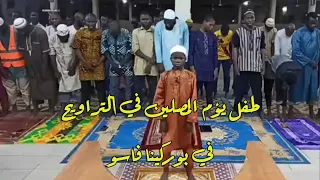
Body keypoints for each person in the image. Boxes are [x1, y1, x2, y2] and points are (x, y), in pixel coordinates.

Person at [154, 45, 197, 180]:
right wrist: (162, 118)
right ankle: (165, 170)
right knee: (166, 146)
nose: (177, 60)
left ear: (185, 59)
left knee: (188, 147)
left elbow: (193, 98)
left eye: (180, 58)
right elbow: (159, 98)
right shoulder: (164, 76)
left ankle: (189, 170)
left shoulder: (191, 76)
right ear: (170, 59)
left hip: (185, 118)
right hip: (169, 118)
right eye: (175, 58)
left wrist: (191, 120)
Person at [14, 18, 58, 115]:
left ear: (26, 27)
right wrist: (28, 66)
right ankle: (36, 107)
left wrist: (44, 68)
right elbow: (22, 50)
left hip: (43, 63)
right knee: (34, 86)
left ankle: (51, 108)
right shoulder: (20, 34)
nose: (20, 32)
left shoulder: (40, 32)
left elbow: (46, 52)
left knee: (48, 85)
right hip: (30, 64)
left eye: (21, 30)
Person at [232, 10, 266, 118]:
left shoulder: (260, 32)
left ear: (254, 18)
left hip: (256, 66)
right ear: (244, 19)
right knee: (239, 90)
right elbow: (235, 50)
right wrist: (235, 66)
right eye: (247, 18)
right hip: (242, 66)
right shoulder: (238, 32)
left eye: (251, 17)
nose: (250, 20)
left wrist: (264, 64)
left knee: (257, 91)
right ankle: (236, 109)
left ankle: (259, 109)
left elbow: (262, 49)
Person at [73, 13, 106, 116]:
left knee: (100, 89)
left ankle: (103, 109)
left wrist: (99, 61)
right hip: (84, 65)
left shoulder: (102, 33)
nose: (91, 24)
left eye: (93, 21)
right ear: (85, 22)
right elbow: (77, 49)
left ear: (96, 21)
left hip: (99, 64)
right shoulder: (80, 33)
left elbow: (106, 50)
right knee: (85, 89)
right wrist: (84, 62)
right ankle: (86, 110)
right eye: (88, 21)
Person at [290, 12, 320, 118]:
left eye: (315, 22)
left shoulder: (318, 33)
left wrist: (316, 62)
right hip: (300, 65)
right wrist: (309, 61)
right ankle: (290, 111)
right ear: (306, 21)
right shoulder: (298, 33)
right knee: (296, 87)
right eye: (311, 22)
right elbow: (296, 51)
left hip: (314, 67)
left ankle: (311, 111)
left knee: (312, 89)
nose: (314, 24)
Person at [49, 24, 81, 118]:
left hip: (73, 63)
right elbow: (52, 54)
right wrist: (55, 70)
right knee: (63, 88)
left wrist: (73, 67)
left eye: (66, 37)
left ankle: (78, 107)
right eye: (62, 37)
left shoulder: (74, 36)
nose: (64, 38)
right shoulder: (52, 38)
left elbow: (78, 52)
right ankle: (64, 107)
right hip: (60, 64)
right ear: (58, 35)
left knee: (77, 87)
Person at [0, 17, 30, 112]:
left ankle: (28, 105)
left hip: (20, 64)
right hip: (6, 67)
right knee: (10, 89)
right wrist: (2, 69)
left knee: (24, 87)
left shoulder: (15, 30)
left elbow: (25, 47)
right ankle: (13, 106)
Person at [101, 20, 132, 111]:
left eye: (116, 33)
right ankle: (114, 107)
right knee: (113, 87)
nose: (114, 35)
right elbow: (104, 49)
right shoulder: (105, 33)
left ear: (119, 29)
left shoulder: (126, 33)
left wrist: (122, 64)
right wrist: (113, 64)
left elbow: (130, 49)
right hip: (113, 63)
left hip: (126, 63)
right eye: (112, 33)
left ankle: (128, 107)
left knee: (128, 86)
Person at [189, 14, 218, 105]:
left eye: (213, 25)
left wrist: (216, 68)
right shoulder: (194, 35)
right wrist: (191, 66)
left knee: (209, 92)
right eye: (210, 24)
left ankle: (209, 109)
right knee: (194, 92)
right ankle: (192, 110)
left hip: (209, 69)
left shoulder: (213, 37)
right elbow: (190, 52)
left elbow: (215, 53)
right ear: (204, 22)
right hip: (197, 68)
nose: (212, 27)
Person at [132, 11, 158, 107]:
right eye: (143, 19)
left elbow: (157, 48)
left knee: (153, 88)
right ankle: (139, 107)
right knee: (139, 89)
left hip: (152, 65)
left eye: (147, 19)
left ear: (151, 20)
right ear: (140, 20)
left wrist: (151, 63)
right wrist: (149, 60)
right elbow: (136, 50)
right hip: (139, 64)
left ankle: (151, 107)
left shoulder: (156, 31)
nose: (145, 21)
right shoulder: (136, 32)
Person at [270, 55, 301, 120]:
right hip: (282, 67)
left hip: (287, 69)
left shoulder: (295, 75)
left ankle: (283, 113)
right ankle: (279, 113)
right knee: (280, 92)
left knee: (283, 93)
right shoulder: (279, 72)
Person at [261, 18, 277, 116]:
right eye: (267, 27)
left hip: (270, 61)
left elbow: (274, 45)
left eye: (270, 27)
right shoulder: (259, 30)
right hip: (259, 61)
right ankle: (257, 108)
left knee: (268, 85)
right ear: (264, 24)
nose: (269, 28)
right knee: (257, 86)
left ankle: (269, 107)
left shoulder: (275, 31)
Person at [214, 24, 233, 98]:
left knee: (227, 76)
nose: (224, 34)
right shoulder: (216, 34)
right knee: (215, 75)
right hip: (217, 57)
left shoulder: (230, 33)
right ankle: (214, 91)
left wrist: (231, 57)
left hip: (226, 57)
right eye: (223, 33)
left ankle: (226, 91)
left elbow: (231, 45)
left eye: (226, 33)